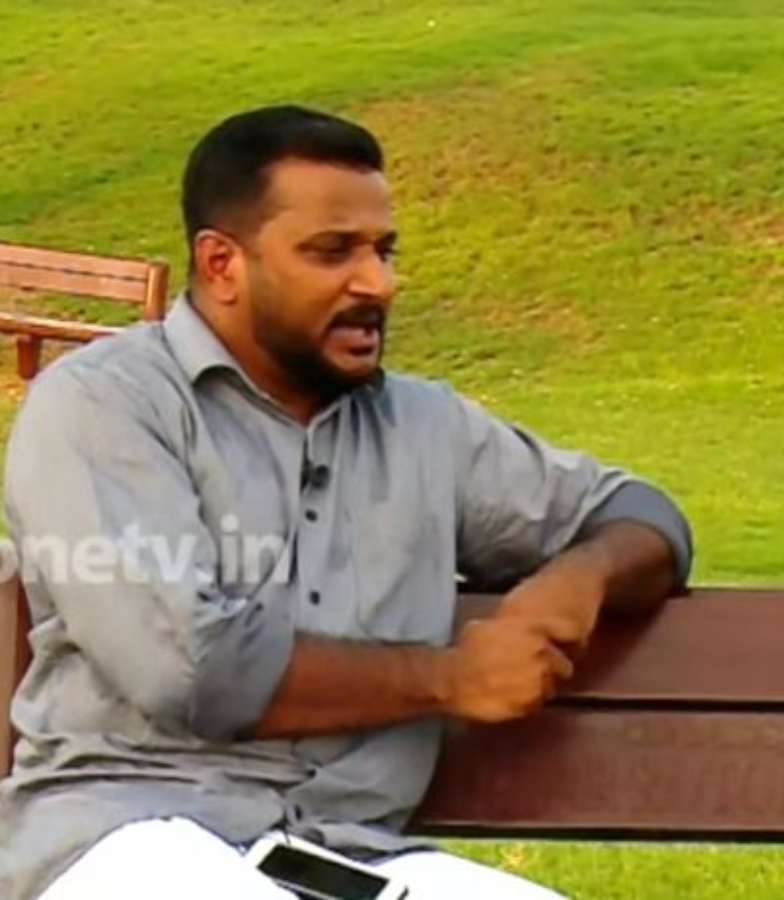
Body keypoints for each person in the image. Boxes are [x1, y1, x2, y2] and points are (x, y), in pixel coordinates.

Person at [0, 105, 692, 900]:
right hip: (129, 840)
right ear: (222, 264)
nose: (377, 284)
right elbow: (189, 669)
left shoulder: (425, 427)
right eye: (333, 252)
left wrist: (581, 578)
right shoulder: (103, 406)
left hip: (348, 857)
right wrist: (451, 679)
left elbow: (643, 515)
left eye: (383, 251)